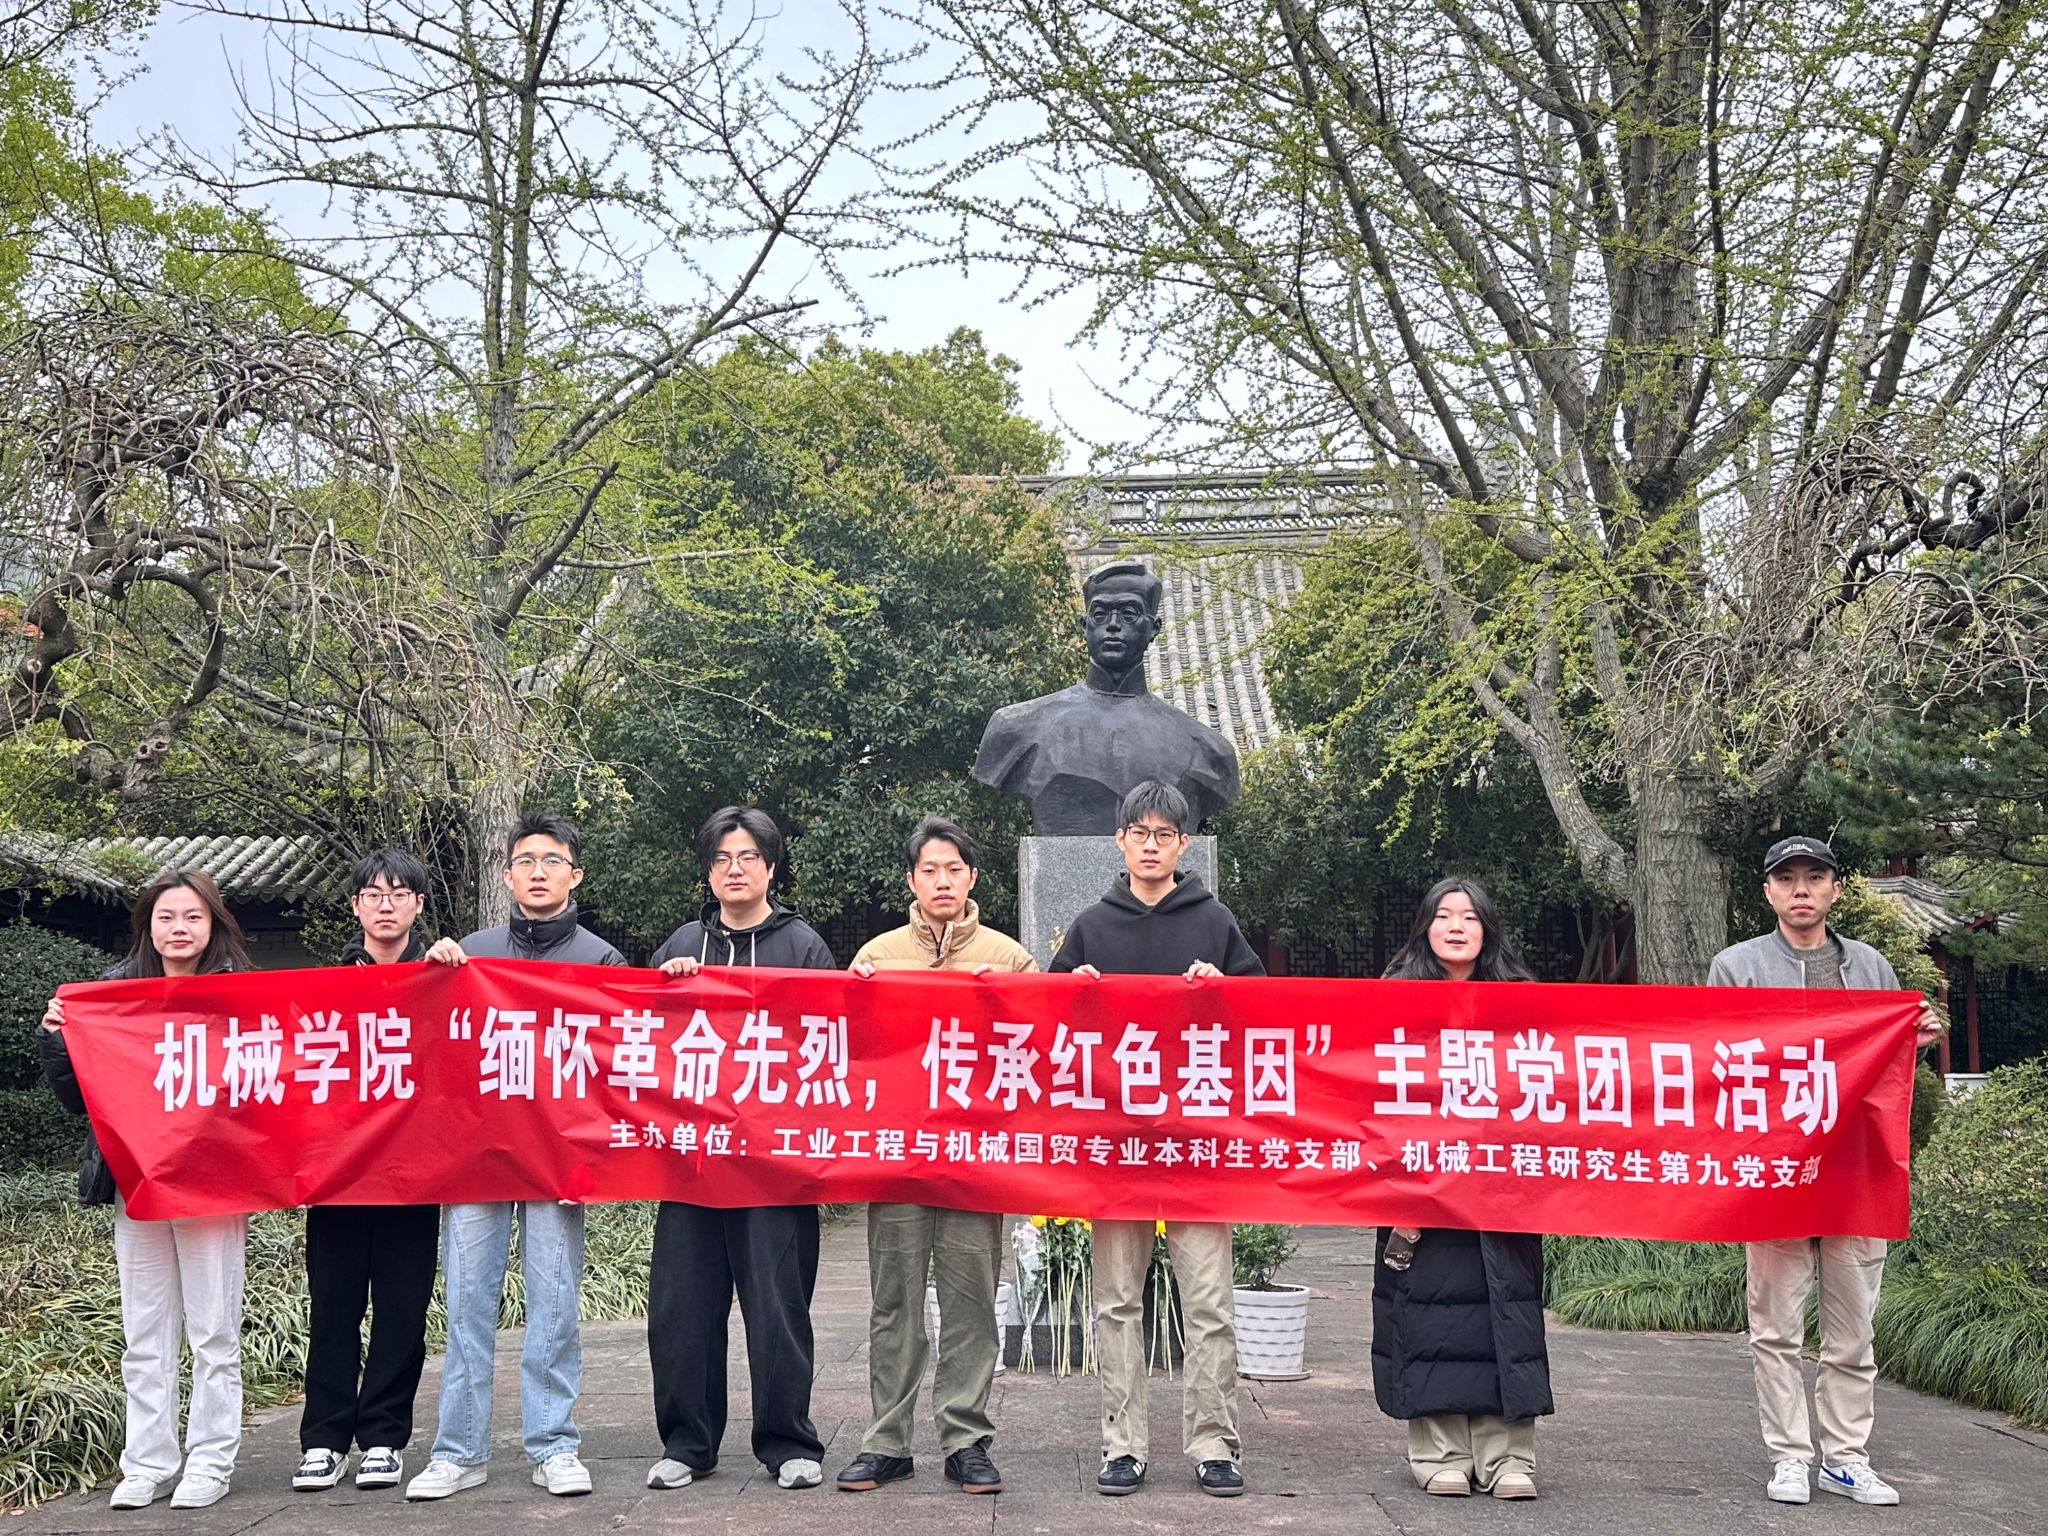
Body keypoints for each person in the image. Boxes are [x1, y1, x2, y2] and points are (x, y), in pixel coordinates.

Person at [1707, 836, 1946, 1508]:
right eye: (1787, 879)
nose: (1802, 890)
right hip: (1776, 1169)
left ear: (1836, 889)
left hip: (1855, 1168)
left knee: (1853, 1328)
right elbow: (1713, 1060)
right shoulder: (1737, 967)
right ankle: (1789, 1454)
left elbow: (1886, 1071)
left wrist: (1915, 1040)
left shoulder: (1869, 966)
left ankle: (1846, 1457)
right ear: (1768, 892)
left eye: (1815, 877)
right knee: (1775, 1326)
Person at [1049, 780, 1264, 1499]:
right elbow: (1043, 1031)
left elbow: (1263, 1015)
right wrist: (1072, 989)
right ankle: (1122, 1444)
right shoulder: (1090, 927)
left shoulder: (1214, 921)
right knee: (1116, 1302)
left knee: (1209, 1302)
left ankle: (1214, 1444)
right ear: (1119, 840)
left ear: (1182, 844)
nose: (1149, 845)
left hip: (1196, 1144)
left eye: (1163, 834)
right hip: (1117, 1147)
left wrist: (1223, 988)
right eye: (1138, 833)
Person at [404, 813, 625, 1502]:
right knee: (467, 1305)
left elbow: (615, 1070)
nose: (538, 871)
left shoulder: (603, 961)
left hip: (558, 1158)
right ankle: (458, 1451)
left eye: (552, 860)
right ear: (506, 875)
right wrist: (433, 971)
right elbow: (431, 1048)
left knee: (553, 1306)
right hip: (476, 1155)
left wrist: (593, 1159)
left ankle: (554, 1444)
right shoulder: (469, 953)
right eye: (525, 860)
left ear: (574, 875)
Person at [38, 870, 254, 1511]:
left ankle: (210, 1460)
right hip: (136, 1181)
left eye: (192, 916)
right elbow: (80, 1100)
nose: (179, 928)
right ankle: (147, 1462)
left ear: (212, 925)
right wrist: (58, 1040)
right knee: (145, 1331)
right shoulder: (111, 996)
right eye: (166, 917)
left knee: (213, 1331)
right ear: (148, 926)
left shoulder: (242, 996)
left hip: (213, 1185)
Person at [835, 817, 1035, 1497]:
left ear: (972, 877)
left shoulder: (1009, 958)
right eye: (929, 870)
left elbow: (1043, 1050)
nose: (942, 881)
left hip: (976, 1160)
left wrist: (1007, 1001)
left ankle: (965, 1440)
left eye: (954, 869)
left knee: (970, 1302)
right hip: (897, 1156)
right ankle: (886, 1441)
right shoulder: (878, 956)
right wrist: (853, 994)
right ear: (911, 880)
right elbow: (847, 1053)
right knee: (893, 1300)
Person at [643, 806, 835, 1494]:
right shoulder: (682, 944)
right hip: (692, 1163)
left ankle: (788, 1443)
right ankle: (688, 1444)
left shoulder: (803, 946)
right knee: (682, 1312)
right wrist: (668, 989)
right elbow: (640, 1044)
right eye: (722, 858)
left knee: (778, 1310)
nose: (735, 869)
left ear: (771, 867)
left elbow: (831, 1046)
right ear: (707, 870)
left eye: (748, 856)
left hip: (775, 1167)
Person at [1370, 878, 1550, 1501]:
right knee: (1429, 1316)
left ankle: (1508, 1457)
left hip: (1502, 1183)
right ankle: (1440, 1452)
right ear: (1425, 927)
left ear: (1487, 929)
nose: (1455, 926)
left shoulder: (1521, 1000)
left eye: (1469, 917)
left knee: (1506, 1314)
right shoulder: (1392, 999)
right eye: (1443, 915)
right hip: (1420, 1181)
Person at [293, 850, 442, 1495]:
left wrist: (454, 969)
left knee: (402, 1311)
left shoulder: (443, 980)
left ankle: (384, 1437)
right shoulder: (324, 987)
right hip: (340, 1176)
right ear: (355, 906)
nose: (386, 905)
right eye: (374, 894)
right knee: (333, 1308)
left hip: (415, 1177)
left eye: (400, 893)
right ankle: (324, 1440)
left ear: (417, 906)